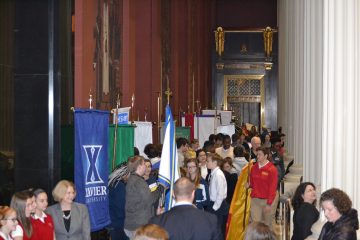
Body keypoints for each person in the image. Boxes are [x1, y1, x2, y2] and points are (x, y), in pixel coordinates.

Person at [149, 177, 221, 240]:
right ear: (193, 194)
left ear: (173, 194)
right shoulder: (211, 220)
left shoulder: (158, 221)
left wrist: (159, 216)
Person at [124, 156, 160, 239]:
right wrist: (160, 189)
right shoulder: (139, 182)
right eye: (144, 164)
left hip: (132, 224)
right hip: (139, 226)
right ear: (139, 166)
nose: (146, 167)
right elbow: (151, 199)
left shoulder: (132, 179)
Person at [249, 147, 278, 229]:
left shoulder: (272, 169)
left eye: (259, 154)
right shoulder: (253, 168)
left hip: (268, 200)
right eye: (257, 154)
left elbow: (272, 188)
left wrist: (269, 204)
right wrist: (249, 185)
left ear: (266, 156)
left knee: (268, 225)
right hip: (255, 200)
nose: (257, 156)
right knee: (255, 224)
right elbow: (252, 183)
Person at [206, 153, 228, 237]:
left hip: (217, 204)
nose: (206, 162)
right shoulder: (213, 173)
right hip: (212, 203)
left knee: (217, 228)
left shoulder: (218, 175)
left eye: (208, 161)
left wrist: (215, 207)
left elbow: (220, 194)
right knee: (213, 227)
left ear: (215, 162)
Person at [108, 163, 130, 240]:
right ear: (124, 175)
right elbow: (121, 206)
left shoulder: (112, 183)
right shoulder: (119, 186)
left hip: (112, 221)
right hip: (118, 223)